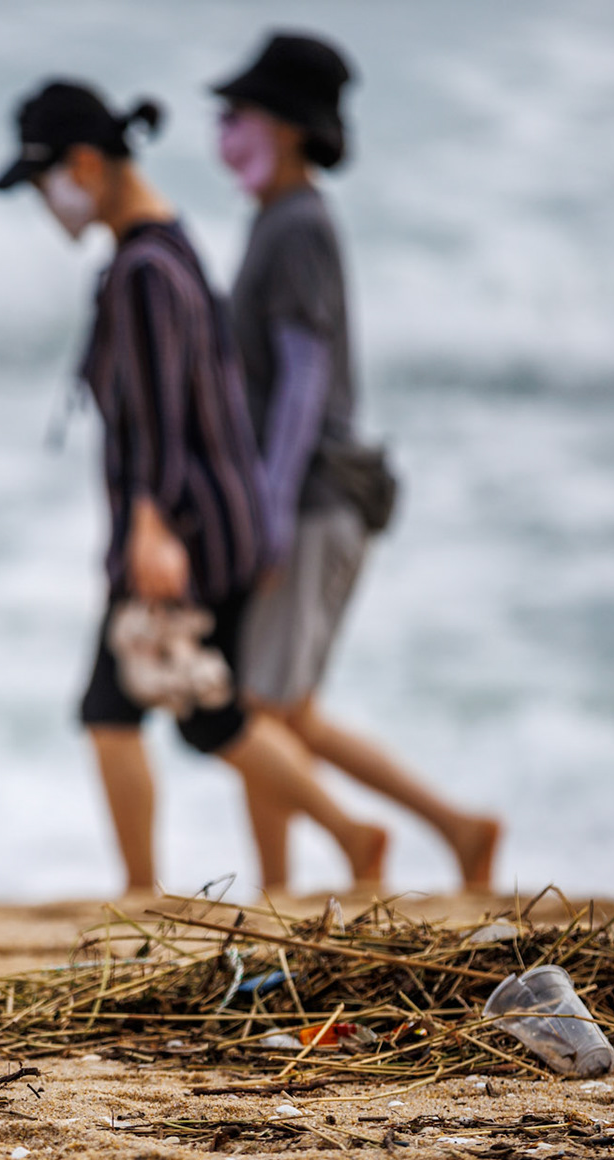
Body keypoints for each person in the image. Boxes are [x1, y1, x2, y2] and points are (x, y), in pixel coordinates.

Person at [0, 79, 389, 896]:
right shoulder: (171, 248)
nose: (46, 206)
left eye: (45, 184)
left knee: (114, 711)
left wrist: (150, 524)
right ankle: (349, 837)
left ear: (86, 165)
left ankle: (147, 895)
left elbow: (159, 417)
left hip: (180, 528)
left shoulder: (143, 270)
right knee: (209, 713)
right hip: (208, 520)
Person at [212, 34, 502, 893]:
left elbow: (305, 377)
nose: (225, 130)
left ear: (289, 126)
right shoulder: (278, 217)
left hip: (309, 499)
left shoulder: (299, 224)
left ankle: (276, 892)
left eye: (240, 113)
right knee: (288, 709)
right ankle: (459, 829)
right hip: (312, 496)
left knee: (256, 712)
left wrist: (267, 513)